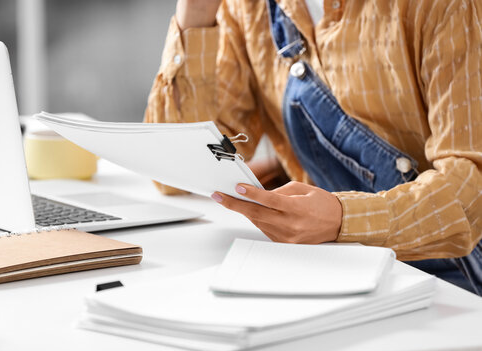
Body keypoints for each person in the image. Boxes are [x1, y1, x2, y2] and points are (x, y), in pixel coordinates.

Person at [144, 0, 482, 295]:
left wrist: (342, 219)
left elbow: (471, 189)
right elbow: (174, 173)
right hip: (333, 269)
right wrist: (196, 14)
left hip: (459, 283)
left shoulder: (446, 5)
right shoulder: (246, 8)